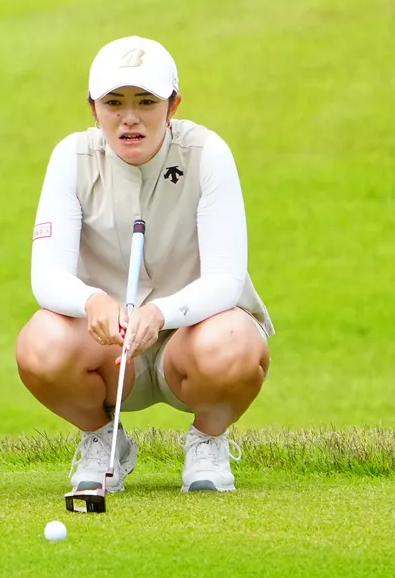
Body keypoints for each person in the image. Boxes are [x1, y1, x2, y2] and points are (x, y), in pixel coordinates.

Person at [15, 36, 275, 493]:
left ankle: (208, 441)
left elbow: (227, 280)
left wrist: (160, 313)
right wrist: (93, 302)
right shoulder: (72, 158)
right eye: (114, 102)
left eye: (146, 102)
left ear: (173, 105)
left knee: (235, 342)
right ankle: (103, 441)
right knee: (40, 344)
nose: (129, 117)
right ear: (93, 108)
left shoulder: (207, 153)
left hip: (194, 340)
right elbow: (48, 277)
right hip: (109, 350)